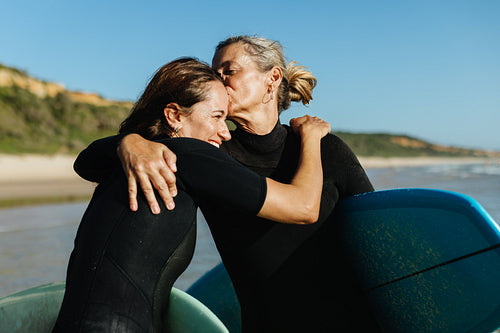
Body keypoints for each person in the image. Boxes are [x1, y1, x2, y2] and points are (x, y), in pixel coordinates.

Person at [73, 36, 379, 332]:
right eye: (214, 71)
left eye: (228, 71)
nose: (218, 79)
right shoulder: (212, 154)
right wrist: (131, 142)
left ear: (272, 79)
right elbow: (89, 163)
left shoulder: (330, 150)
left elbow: (382, 234)